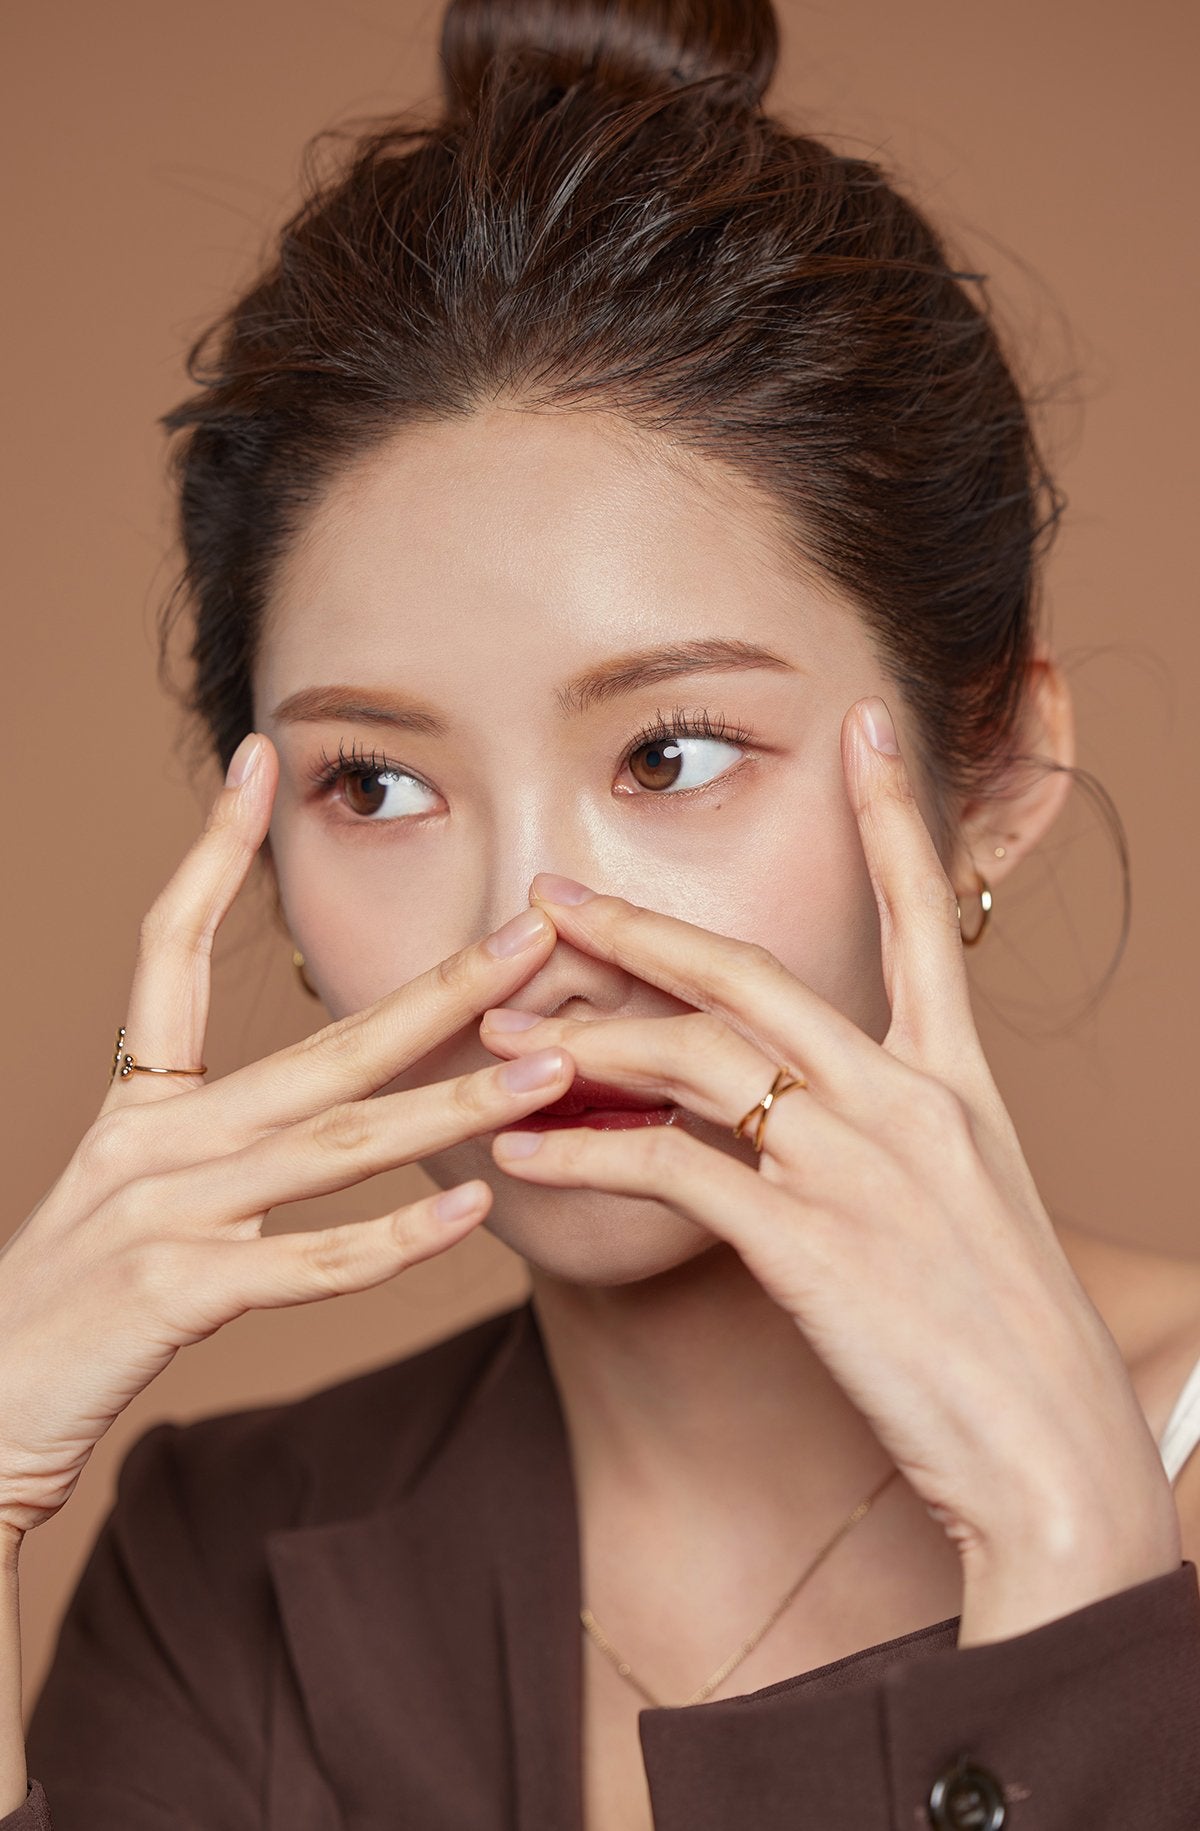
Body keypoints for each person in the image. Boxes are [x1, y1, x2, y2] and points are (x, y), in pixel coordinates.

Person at [3, 1, 1199, 1826]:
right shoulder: (224, 1563)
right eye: (375, 785)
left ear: (1001, 769)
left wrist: (1072, 1576)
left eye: (673, 754)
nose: (530, 935)